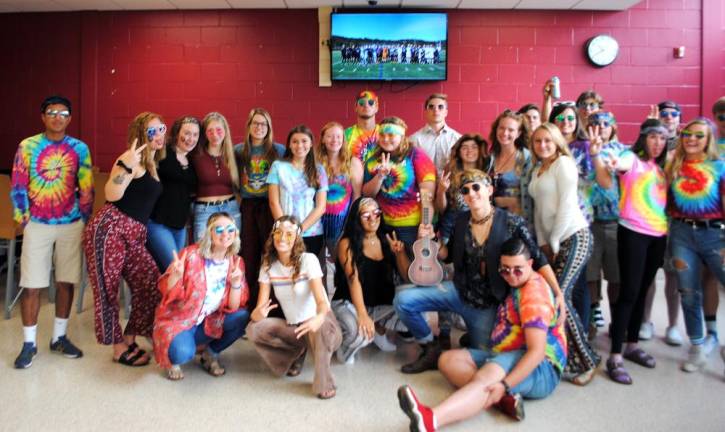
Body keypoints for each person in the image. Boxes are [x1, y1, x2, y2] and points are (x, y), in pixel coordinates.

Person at [394, 169, 564, 374]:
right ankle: (430, 346)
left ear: (490, 190)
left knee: (484, 358)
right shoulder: (461, 220)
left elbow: (538, 258)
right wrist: (431, 239)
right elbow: (446, 255)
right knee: (403, 300)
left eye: (476, 187)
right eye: (466, 190)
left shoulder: (511, 222)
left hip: (487, 304)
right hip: (458, 291)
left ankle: (474, 337)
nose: (471, 193)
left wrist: (558, 292)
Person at [397, 238, 566, 431]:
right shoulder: (520, 283)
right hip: (507, 354)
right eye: (505, 270)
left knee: (488, 376)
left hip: (542, 367)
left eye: (518, 269)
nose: (511, 276)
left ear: (530, 264)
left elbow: (536, 352)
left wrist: (504, 384)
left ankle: (430, 419)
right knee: (447, 360)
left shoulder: (534, 295)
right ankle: (503, 400)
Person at [11, 95, 92, 369]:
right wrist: (22, 217)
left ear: (70, 118)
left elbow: (86, 186)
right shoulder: (28, 146)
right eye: (52, 112)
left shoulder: (80, 149)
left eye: (63, 113)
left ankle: (59, 337)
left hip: (70, 223)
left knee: (66, 282)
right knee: (32, 284)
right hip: (37, 223)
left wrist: (84, 217)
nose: (58, 117)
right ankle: (29, 344)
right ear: (43, 116)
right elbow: (18, 184)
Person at [83, 112, 164, 366]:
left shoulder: (151, 163)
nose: (159, 135)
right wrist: (127, 165)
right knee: (108, 290)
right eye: (152, 131)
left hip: (134, 234)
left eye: (161, 129)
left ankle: (129, 338)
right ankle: (118, 349)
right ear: (140, 134)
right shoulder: (130, 159)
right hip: (109, 229)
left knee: (150, 282)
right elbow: (112, 192)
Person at [528, 123, 598, 385]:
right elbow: (538, 212)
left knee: (561, 297)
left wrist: (555, 241)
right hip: (554, 241)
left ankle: (587, 361)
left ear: (557, 141)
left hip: (574, 236)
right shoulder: (539, 168)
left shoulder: (563, 164)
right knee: (556, 297)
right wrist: (544, 244)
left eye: (548, 140)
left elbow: (568, 205)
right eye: (537, 141)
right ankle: (571, 355)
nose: (543, 145)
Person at [247, 216, 342, 399]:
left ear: (297, 238)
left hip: (323, 325)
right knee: (254, 329)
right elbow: (258, 311)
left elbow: (322, 303)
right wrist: (258, 314)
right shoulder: (268, 265)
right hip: (296, 328)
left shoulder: (308, 260)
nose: (282, 238)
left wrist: (318, 318)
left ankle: (324, 382)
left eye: (289, 234)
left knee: (320, 327)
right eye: (279, 233)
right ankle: (294, 353)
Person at [603, 119, 668, 384]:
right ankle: (615, 356)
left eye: (662, 139)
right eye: (653, 137)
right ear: (643, 138)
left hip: (658, 235)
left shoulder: (661, 168)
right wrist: (612, 163)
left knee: (643, 290)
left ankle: (632, 344)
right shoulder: (632, 159)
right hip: (633, 233)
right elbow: (620, 164)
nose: (657, 143)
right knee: (628, 292)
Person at [153, 212, 250, 380]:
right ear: (209, 233)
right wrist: (175, 277)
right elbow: (168, 295)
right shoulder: (191, 255)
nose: (225, 234)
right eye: (219, 230)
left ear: (236, 233)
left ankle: (210, 354)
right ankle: (175, 354)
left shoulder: (236, 262)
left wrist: (235, 283)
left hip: (210, 320)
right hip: (180, 320)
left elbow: (234, 307)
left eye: (230, 229)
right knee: (182, 353)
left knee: (242, 317)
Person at [665, 118, 725, 372]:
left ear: (708, 139)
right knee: (688, 292)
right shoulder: (673, 166)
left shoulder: (719, 167)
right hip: (681, 234)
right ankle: (697, 347)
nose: (691, 139)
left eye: (698, 135)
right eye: (687, 134)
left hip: (715, 235)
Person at [332, 197, 411, 363]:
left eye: (376, 213)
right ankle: (344, 346)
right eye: (366, 215)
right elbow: (353, 280)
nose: (372, 219)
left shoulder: (388, 237)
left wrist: (399, 253)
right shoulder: (347, 243)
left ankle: (378, 330)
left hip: (378, 304)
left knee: (417, 310)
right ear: (357, 218)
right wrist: (361, 315)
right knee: (359, 335)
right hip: (349, 302)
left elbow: (406, 276)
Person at [640, 100, 684, 345]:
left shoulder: (685, 147)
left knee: (673, 276)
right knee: (648, 274)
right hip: (649, 219)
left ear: (679, 119)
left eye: (673, 114)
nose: (668, 117)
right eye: (664, 114)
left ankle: (673, 326)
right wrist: (650, 125)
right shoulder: (650, 146)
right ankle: (646, 321)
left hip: (675, 222)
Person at [234, 108, 285, 307]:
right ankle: (249, 301)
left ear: (269, 128)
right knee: (248, 253)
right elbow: (232, 178)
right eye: (255, 123)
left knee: (269, 252)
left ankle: (270, 302)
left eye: (263, 124)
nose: (259, 127)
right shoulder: (239, 151)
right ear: (249, 126)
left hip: (269, 205)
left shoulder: (278, 151)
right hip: (247, 205)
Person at [362, 116, 436, 247]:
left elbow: (427, 198)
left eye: (391, 135)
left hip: (411, 227)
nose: (385, 139)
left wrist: (424, 227)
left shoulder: (415, 155)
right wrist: (380, 176)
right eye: (382, 135)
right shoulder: (373, 160)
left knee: (409, 266)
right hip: (382, 225)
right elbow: (368, 195)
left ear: (401, 136)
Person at [585, 111, 626, 333]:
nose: (600, 127)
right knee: (590, 273)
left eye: (605, 124)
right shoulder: (581, 150)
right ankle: (593, 311)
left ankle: (616, 317)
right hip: (589, 222)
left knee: (615, 274)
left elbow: (614, 185)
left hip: (615, 222)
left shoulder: (622, 152)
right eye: (594, 124)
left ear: (613, 127)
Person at [267, 125, 328, 267]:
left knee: (309, 277)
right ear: (289, 144)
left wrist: (299, 230)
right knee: (286, 274)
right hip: (284, 233)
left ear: (311, 143)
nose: (299, 145)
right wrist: (286, 229)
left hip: (312, 233)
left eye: (304, 141)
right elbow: (273, 202)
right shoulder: (278, 167)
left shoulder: (319, 169)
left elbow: (321, 207)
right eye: (295, 141)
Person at [146, 116, 199, 271]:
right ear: (177, 133)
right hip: (158, 223)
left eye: (195, 135)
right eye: (187, 133)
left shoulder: (193, 160)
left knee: (172, 271)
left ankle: (166, 296)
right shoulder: (162, 152)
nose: (191, 139)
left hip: (180, 226)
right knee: (174, 267)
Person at [317, 121, 363, 262]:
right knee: (318, 266)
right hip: (317, 221)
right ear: (323, 139)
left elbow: (356, 196)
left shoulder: (352, 162)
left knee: (341, 263)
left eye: (338, 136)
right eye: (330, 136)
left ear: (343, 139)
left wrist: (351, 223)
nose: (334, 140)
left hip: (341, 222)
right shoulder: (315, 162)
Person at [191, 112, 240, 242]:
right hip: (204, 209)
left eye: (219, 130)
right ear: (205, 134)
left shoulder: (234, 155)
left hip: (231, 208)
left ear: (225, 131)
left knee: (231, 250)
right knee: (201, 250)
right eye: (210, 131)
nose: (215, 134)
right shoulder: (195, 154)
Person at [435, 134, 488, 246]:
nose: (469, 150)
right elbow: (441, 209)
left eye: (474, 147)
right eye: (464, 147)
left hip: (479, 230)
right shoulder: (450, 173)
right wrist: (441, 191)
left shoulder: (486, 173)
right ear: (458, 151)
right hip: (451, 231)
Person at [485, 110, 533, 219]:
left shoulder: (527, 158)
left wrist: (501, 201)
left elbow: (533, 196)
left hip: (517, 223)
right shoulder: (490, 158)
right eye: (501, 128)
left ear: (519, 133)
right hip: (490, 222)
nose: (505, 133)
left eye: (511, 130)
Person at [409, 93, 462, 175]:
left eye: (440, 107)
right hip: (422, 185)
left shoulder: (458, 139)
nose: (436, 110)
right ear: (426, 112)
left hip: (451, 185)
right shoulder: (414, 139)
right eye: (431, 107)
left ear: (446, 112)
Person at [345, 90, 380, 163]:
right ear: (355, 107)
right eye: (361, 103)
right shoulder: (346, 135)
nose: (366, 105)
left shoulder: (385, 133)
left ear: (376, 107)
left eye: (371, 103)